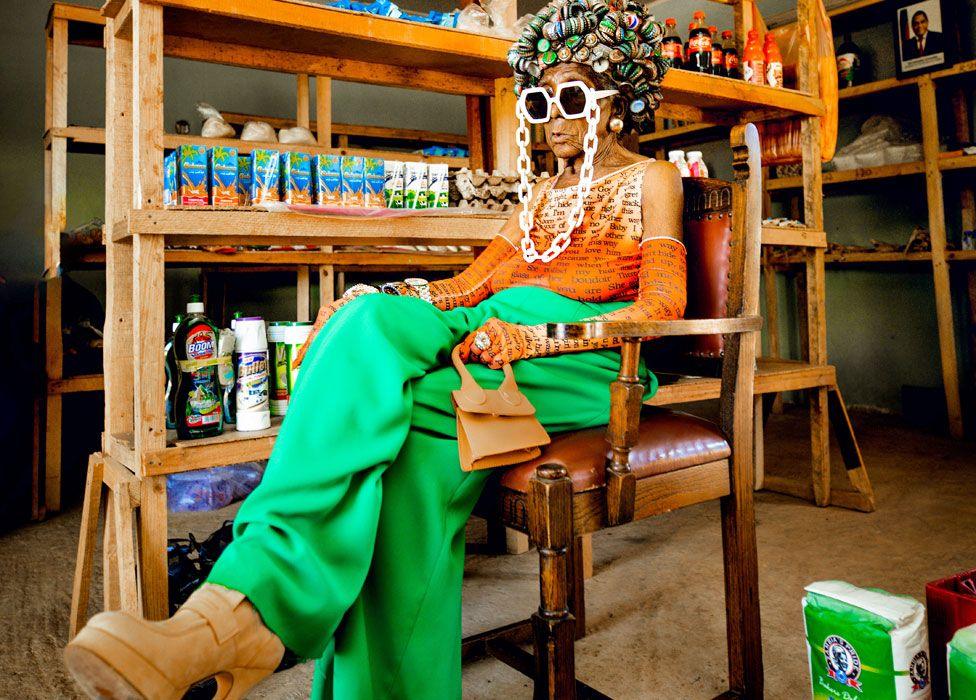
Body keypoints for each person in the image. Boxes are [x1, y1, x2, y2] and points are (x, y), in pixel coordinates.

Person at [64, 1, 686, 697]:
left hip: (585, 356)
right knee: (400, 436)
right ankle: (232, 617)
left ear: (618, 98)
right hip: (489, 334)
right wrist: (380, 293)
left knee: (387, 393)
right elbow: (463, 288)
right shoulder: (537, 198)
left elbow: (660, 310)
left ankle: (238, 611)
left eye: (572, 96)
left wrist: (534, 337)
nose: (555, 116)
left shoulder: (651, 179)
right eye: (542, 100)